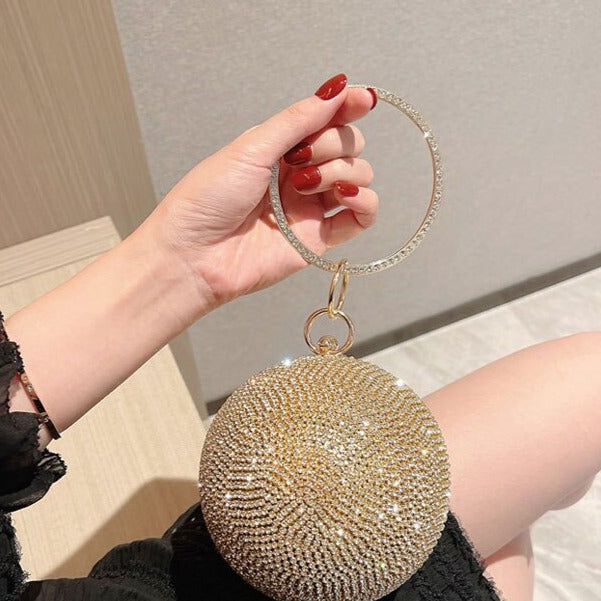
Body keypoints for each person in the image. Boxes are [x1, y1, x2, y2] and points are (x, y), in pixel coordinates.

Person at [0, 72, 599, 601]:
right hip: (317, 558)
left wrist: (180, 264)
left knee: (518, 507)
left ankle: (555, 494)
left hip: (277, 552)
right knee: (565, 424)